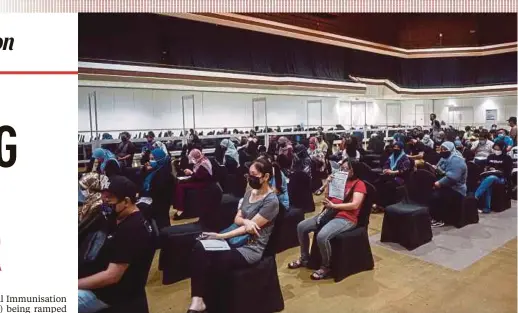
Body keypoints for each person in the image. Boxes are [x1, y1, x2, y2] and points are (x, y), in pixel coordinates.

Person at [185, 159, 279, 313]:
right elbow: (237, 219)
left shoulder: (271, 201)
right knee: (199, 246)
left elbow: (246, 230)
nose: (250, 179)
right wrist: (247, 222)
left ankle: (216, 303)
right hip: (234, 238)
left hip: (250, 248)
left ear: (266, 176)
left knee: (217, 259)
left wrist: (221, 236)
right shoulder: (250, 191)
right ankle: (198, 299)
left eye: (254, 175)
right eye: (249, 175)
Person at [78, 176, 155, 313]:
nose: (105, 201)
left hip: (105, 295)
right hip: (95, 284)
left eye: (110, 198)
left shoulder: (132, 229)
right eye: (104, 197)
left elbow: (111, 276)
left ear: (126, 201)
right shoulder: (118, 219)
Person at [288, 160, 366, 280]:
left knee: (322, 236)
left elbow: (355, 205)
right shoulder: (339, 181)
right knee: (301, 227)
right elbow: (327, 198)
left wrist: (334, 206)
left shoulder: (359, 184)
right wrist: (328, 184)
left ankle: (326, 266)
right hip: (329, 213)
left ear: (353, 170)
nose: (343, 171)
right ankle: (304, 259)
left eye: (346, 169)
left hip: (346, 218)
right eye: (342, 168)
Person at [429, 142, 467, 227]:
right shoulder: (444, 158)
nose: (442, 151)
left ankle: (439, 219)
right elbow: (442, 170)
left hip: (456, 188)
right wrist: (435, 169)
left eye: (445, 149)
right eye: (441, 149)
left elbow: (452, 178)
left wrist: (439, 183)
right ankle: (432, 216)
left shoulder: (456, 160)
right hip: (446, 185)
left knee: (435, 196)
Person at [173, 149, 213, 219]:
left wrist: (190, 174)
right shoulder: (203, 160)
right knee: (181, 184)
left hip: (203, 183)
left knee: (180, 186)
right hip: (202, 181)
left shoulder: (203, 164)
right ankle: (180, 207)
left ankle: (180, 209)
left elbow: (199, 177)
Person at [474, 141, 513, 213]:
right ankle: (487, 207)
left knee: (491, 178)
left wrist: (497, 170)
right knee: (488, 182)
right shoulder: (490, 156)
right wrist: (488, 168)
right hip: (489, 175)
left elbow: (508, 172)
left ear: (502, 149)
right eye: (495, 149)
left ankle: (475, 196)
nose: (496, 151)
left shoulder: (507, 158)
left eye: (498, 149)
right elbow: (486, 166)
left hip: (502, 178)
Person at [140, 147, 173, 228]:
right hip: (152, 202)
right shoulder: (154, 171)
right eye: (150, 159)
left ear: (160, 159)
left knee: (161, 224)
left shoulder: (165, 174)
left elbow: (159, 192)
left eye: (153, 159)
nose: (150, 161)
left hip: (159, 205)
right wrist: (145, 170)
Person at [376, 141, 412, 209]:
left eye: (397, 147)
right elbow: (386, 164)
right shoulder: (391, 156)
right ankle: (379, 203)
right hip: (389, 175)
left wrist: (393, 172)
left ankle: (386, 205)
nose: (395, 149)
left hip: (400, 177)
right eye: (394, 147)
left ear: (401, 149)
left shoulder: (405, 158)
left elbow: (403, 170)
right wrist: (385, 169)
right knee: (379, 182)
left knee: (388, 185)